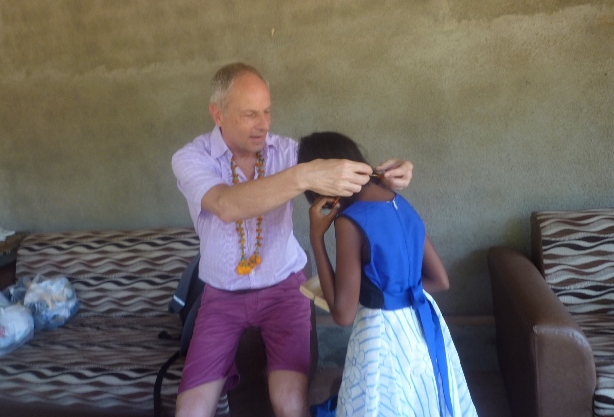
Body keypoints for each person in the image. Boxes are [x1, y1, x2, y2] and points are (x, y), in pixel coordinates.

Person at [171, 63, 414, 417]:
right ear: (217, 113)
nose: (263, 124)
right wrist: (302, 175)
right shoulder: (191, 158)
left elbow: (344, 172)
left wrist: (383, 176)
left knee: (290, 403)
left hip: (284, 290)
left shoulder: (287, 152)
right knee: (190, 410)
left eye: (267, 111)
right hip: (220, 297)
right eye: (250, 114)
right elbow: (225, 205)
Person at [298, 131, 478, 417]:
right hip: (421, 325)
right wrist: (392, 292)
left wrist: (316, 238)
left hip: (381, 336)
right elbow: (440, 280)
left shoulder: (350, 221)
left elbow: (343, 315)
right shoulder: (399, 202)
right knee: (419, 401)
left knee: (379, 404)